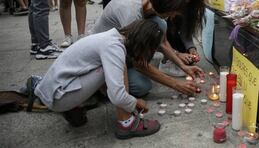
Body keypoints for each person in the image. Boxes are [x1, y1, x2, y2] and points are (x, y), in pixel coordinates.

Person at [31, 19, 163, 138]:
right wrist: (135, 102)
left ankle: (73, 107)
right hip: (59, 96)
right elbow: (117, 96)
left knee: (112, 67)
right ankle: (127, 123)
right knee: (118, 66)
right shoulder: (114, 47)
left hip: (54, 88)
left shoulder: (111, 37)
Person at [92, 0, 203, 97]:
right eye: (171, 12)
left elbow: (163, 43)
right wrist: (176, 84)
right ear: (162, 8)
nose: (172, 16)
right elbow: (138, 63)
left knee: (161, 25)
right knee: (141, 87)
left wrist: (183, 66)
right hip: (102, 57)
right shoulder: (131, 14)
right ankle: (100, 85)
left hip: (124, 51)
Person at [159, 0, 207, 76]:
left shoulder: (192, 4)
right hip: (160, 35)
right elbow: (156, 34)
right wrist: (175, 54)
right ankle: (166, 60)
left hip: (172, 35)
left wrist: (191, 48)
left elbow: (186, 30)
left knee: (189, 58)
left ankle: (175, 57)